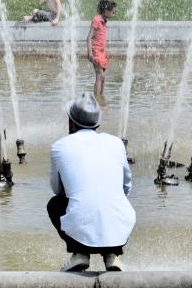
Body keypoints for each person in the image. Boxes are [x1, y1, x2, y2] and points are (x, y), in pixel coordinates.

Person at [47, 91, 135, 273]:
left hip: (79, 233)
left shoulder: (59, 146)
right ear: (97, 123)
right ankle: (112, 255)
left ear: (71, 122)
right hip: (119, 230)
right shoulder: (116, 143)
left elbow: (56, 189)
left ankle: (79, 254)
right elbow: (127, 187)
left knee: (54, 204)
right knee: (116, 199)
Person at [89, 0, 116, 97]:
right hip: (96, 52)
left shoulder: (104, 21)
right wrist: (90, 52)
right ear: (106, 11)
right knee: (99, 76)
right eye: (113, 12)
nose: (114, 14)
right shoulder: (97, 20)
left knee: (103, 77)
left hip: (102, 53)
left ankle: (101, 96)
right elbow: (89, 37)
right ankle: (97, 98)